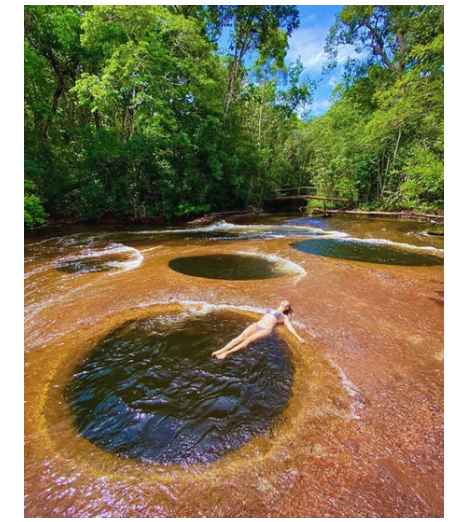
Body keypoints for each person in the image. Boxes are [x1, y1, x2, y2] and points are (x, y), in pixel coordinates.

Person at [212, 300, 305, 360]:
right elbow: (253, 308)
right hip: (257, 325)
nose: (285, 302)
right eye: (284, 301)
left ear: (287, 308)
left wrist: (298, 337)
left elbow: (290, 327)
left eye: (287, 303)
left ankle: (227, 353)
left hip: (266, 330)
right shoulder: (270, 309)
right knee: (240, 337)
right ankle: (221, 350)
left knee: (248, 340)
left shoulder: (284, 317)